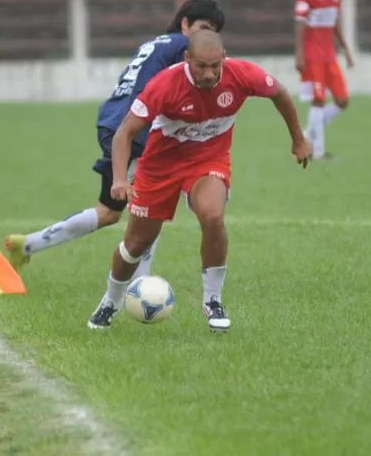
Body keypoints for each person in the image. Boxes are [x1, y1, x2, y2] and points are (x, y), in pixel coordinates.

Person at [87, 30, 312, 332]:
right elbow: (124, 133)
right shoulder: (165, 84)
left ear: (224, 58)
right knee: (135, 245)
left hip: (208, 161)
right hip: (160, 167)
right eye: (201, 66)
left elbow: (280, 94)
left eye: (215, 66)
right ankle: (110, 301)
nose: (209, 74)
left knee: (213, 214)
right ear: (187, 59)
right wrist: (118, 179)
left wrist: (298, 139)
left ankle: (213, 301)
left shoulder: (241, 74)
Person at [3, 0, 225, 275]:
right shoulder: (184, 48)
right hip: (134, 129)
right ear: (185, 24)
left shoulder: (156, 43)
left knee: (108, 212)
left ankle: (26, 245)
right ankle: (140, 287)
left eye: (213, 31)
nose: (207, 36)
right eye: (203, 27)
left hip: (113, 122)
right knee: (151, 208)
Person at [294, 0, 354, 161]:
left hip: (329, 54)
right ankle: (317, 152)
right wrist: (300, 53)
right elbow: (300, 23)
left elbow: (334, 22)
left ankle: (307, 133)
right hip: (312, 54)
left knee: (342, 100)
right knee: (318, 100)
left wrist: (346, 50)